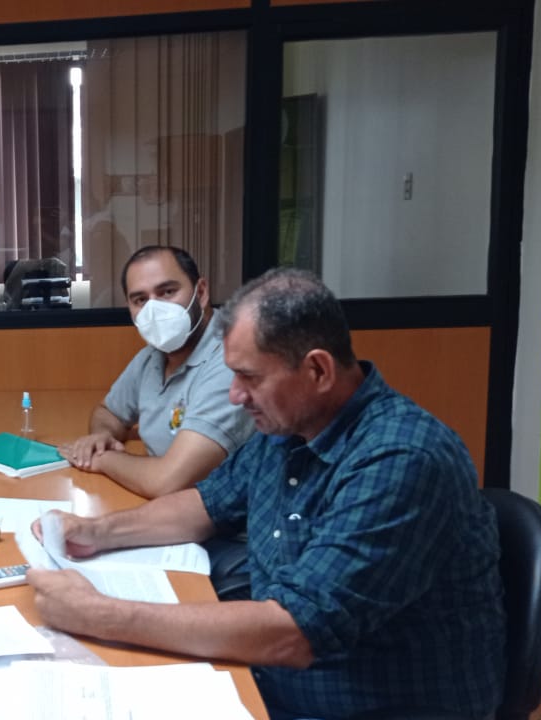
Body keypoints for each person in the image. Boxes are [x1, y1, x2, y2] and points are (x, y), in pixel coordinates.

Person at [29, 268, 505, 720]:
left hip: (369, 705)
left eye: (249, 377)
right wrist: (96, 532)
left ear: (317, 371)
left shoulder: (400, 460)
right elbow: (206, 504)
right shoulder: (290, 426)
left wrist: (98, 614)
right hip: (276, 676)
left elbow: (293, 633)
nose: (235, 395)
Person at [60, 245, 254, 498]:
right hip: (168, 506)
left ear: (201, 293)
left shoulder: (232, 359)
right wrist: (102, 436)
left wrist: (102, 458)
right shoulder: (153, 357)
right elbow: (108, 412)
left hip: (224, 517)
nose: (154, 310)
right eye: (140, 300)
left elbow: (168, 480)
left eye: (167, 292)